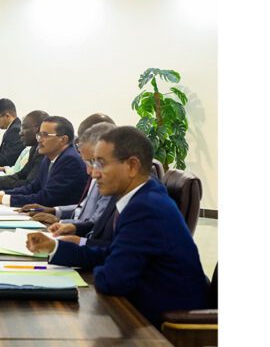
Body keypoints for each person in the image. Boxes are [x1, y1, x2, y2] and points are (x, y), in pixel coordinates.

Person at [26, 126, 208, 326]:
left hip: (167, 327)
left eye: (100, 164)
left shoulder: (144, 208)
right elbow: (112, 252)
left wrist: (104, 267)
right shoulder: (143, 196)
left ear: (132, 166)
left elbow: (112, 280)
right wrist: (55, 247)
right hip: (143, 311)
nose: (93, 174)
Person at [22, 122, 117, 247]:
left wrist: (68, 229)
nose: (90, 172)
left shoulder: (109, 182)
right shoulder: (47, 159)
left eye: (94, 162)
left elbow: (96, 224)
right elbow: (83, 208)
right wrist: (55, 212)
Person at [0, 116, 87, 207]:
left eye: (45, 135)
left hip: (59, 220)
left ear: (63, 140)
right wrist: (0, 193)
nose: (39, 139)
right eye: (39, 135)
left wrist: (3, 199)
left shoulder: (70, 160)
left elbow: (47, 198)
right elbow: (32, 188)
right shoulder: (48, 157)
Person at [0, 110, 48, 190]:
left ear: (39, 130)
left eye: (24, 128)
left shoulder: (45, 153)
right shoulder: (34, 149)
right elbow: (21, 174)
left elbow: (29, 185)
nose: (20, 133)